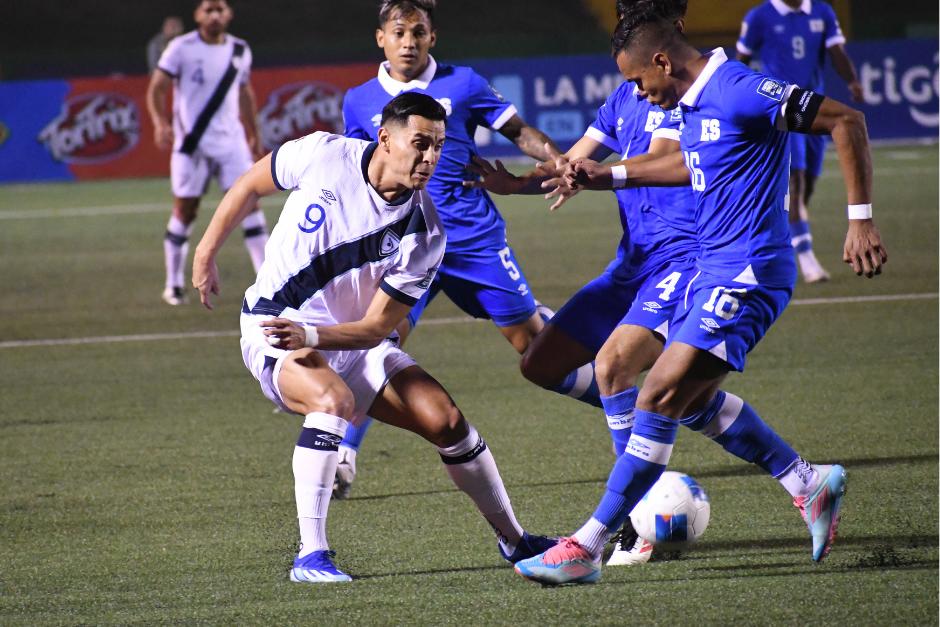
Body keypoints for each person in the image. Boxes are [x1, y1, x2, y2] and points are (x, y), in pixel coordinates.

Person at [513, 5, 887, 585]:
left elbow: (846, 120)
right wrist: (602, 176)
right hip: (714, 268)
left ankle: (586, 547)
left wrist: (859, 219)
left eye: (639, 79)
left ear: (662, 59)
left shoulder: (739, 88)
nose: (636, 91)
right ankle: (808, 483)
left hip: (749, 270)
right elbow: (687, 167)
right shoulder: (689, 103)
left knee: (654, 392)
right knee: (679, 399)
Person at [190, 92, 554, 583]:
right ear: (385, 138)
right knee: (333, 401)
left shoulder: (425, 233)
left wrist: (314, 333)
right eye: (419, 143)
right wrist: (206, 252)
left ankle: (515, 540)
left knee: (447, 422)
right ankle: (310, 556)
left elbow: (379, 328)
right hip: (273, 324)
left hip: (344, 340)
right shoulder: (322, 153)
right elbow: (249, 184)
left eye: (438, 147)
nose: (429, 158)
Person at [333, 0, 599, 498]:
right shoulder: (359, 100)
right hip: (403, 247)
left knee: (533, 347)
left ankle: (626, 402)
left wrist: (560, 159)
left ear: (433, 37)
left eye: (418, 31)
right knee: (372, 342)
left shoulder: (465, 84)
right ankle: (343, 453)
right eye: (399, 32)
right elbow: (356, 170)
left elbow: (518, 132)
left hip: (472, 241)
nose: (408, 41)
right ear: (381, 39)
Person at [146, 0, 268, 306]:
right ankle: (173, 284)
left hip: (231, 144)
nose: (214, 15)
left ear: (229, 14)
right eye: (208, 9)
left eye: (220, 9)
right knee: (186, 211)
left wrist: (254, 133)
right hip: (192, 146)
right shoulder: (180, 47)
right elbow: (157, 87)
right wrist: (160, 123)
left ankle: (269, 282)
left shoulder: (240, 49)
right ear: (197, 15)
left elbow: (244, 92)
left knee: (250, 207)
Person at [737, 0, 864, 283]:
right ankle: (806, 261)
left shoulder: (822, 11)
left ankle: (771, 241)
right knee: (795, 184)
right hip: (781, 112)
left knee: (806, 187)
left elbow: (836, 52)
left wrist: (853, 81)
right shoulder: (760, 17)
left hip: (817, 111)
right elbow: (740, 61)